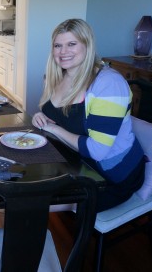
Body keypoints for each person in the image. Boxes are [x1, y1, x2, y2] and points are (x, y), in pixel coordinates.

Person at [32, 18, 146, 212]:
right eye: (57, 45)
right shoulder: (58, 75)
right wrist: (41, 117)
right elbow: (56, 114)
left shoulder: (108, 84)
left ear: (87, 45)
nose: (63, 52)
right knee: (23, 190)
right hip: (76, 162)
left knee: (31, 203)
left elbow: (97, 151)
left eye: (71, 44)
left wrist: (53, 128)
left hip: (111, 175)